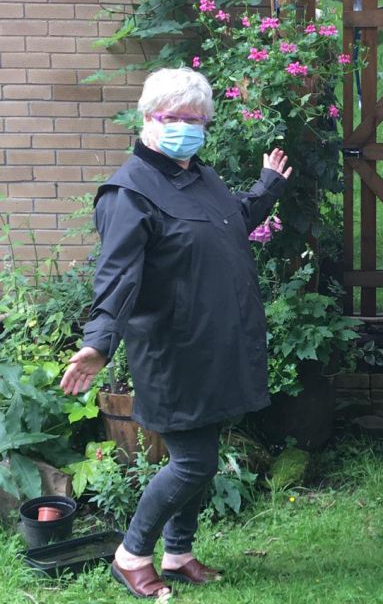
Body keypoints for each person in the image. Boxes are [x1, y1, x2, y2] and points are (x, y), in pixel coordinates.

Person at [60, 67, 292, 599]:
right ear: (147, 119)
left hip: (214, 344)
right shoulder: (129, 191)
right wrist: (98, 342)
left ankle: (178, 552)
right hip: (173, 351)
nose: (185, 127)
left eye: (195, 119)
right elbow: (116, 276)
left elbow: (234, 221)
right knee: (195, 461)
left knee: (200, 455)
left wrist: (267, 186)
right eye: (173, 118)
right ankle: (131, 554)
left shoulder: (200, 178)